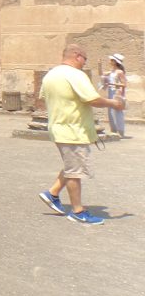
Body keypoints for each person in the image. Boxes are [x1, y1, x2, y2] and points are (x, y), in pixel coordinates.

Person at [38, 43, 123, 225]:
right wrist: (113, 103)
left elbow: (44, 98)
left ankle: (52, 194)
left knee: (72, 164)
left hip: (58, 127)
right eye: (85, 58)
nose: (85, 62)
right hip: (73, 130)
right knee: (75, 171)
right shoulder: (76, 75)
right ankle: (78, 211)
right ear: (77, 56)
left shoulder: (51, 75)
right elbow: (92, 99)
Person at [100, 53, 127, 138]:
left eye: (111, 60)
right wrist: (99, 65)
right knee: (111, 112)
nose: (110, 61)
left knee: (117, 112)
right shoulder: (111, 71)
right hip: (111, 92)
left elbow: (124, 84)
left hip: (116, 93)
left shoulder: (119, 72)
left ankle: (120, 132)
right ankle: (113, 130)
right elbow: (101, 74)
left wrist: (111, 83)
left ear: (115, 62)